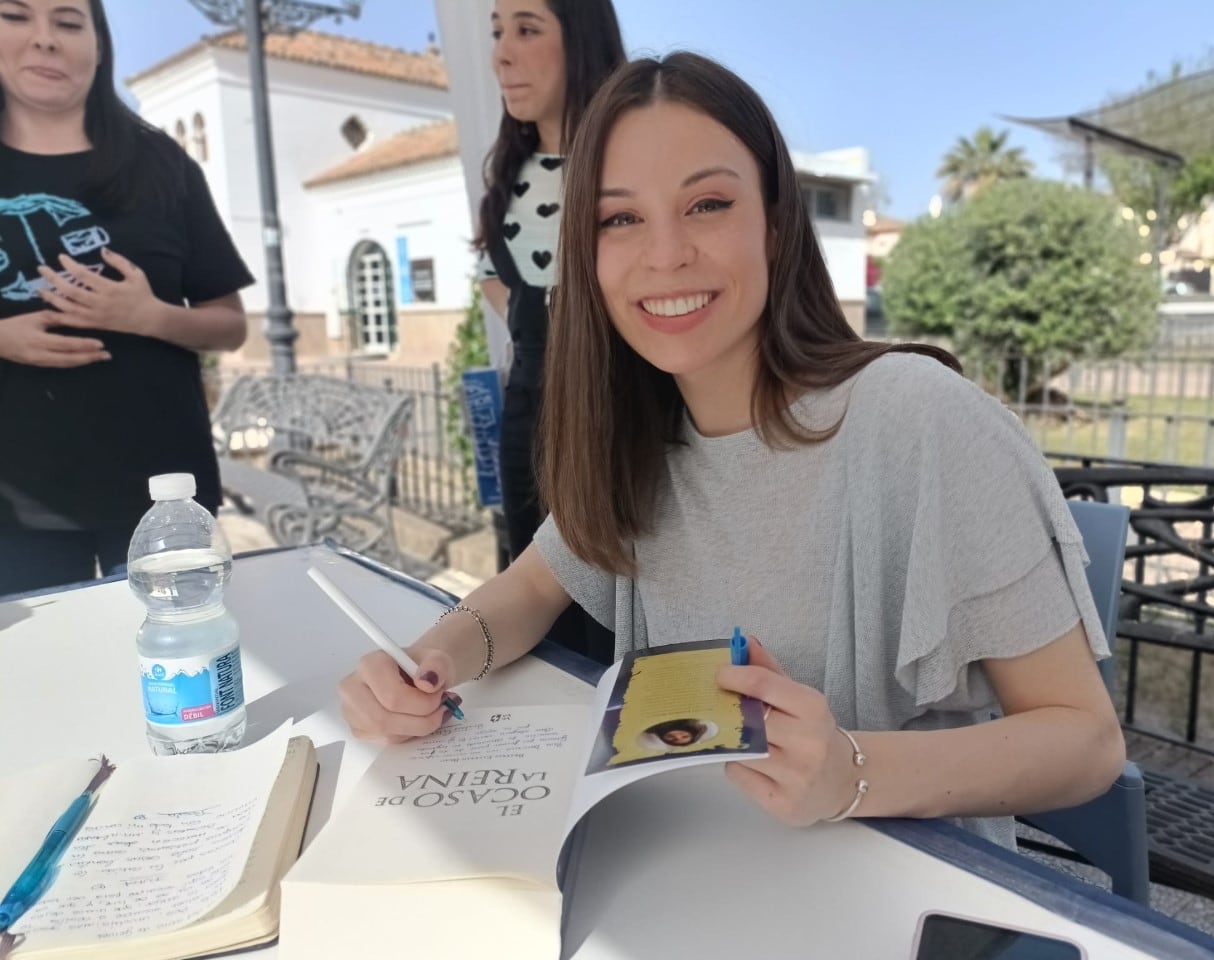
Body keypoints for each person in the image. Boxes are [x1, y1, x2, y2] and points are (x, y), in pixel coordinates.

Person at [340, 53, 1126, 847]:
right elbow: (528, 590)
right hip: (684, 866)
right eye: (620, 219)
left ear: (776, 226)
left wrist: (849, 770)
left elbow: (1087, 743)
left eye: (708, 204)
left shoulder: (919, 417)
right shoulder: (635, 434)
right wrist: (431, 661)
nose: (666, 254)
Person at [0, 0, 251, 595]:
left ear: (98, 43)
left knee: (181, 672)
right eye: (15, 16)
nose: (45, 40)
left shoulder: (161, 163)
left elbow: (230, 325)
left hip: (161, 498)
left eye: (67, 22)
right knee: (31, 682)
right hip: (12, 508)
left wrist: (150, 317)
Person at [475, 0, 625, 664]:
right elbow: (498, 289)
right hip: (528, 420)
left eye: (527, 29)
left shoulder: (630, 169)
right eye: (498, 32)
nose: (502, 53)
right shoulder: (505, 178)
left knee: (621, 607)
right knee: (538, 599)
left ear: (582, 41)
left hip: (623, 421)